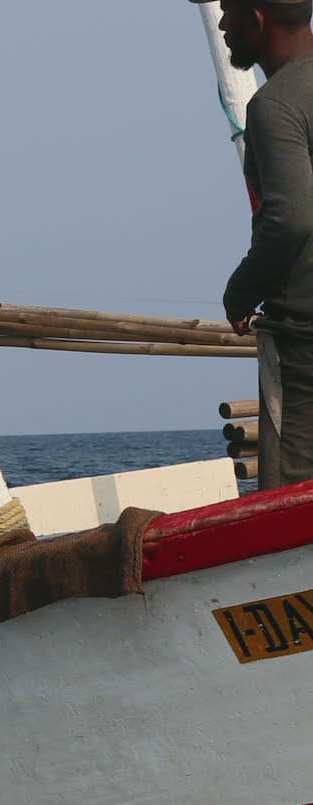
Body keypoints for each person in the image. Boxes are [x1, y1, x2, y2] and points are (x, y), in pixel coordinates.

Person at [210, 0, 313, 488]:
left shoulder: (275, 105)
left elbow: (290, 219)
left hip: (304, 348)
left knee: (292, 502)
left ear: (256, 19)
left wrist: (239, 293)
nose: (222, 23)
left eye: (228, 12)